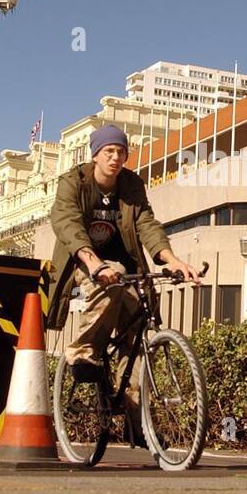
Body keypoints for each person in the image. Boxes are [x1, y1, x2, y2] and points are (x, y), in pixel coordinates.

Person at [45, 124, 202, 390]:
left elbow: (146, 224)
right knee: (111, 280)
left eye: (121, 152)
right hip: (83, 259)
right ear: (95, 154)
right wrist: (95, 263)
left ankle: (137, 420)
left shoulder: (131, 185)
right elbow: (66, 222)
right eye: (109, 151)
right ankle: (82, 350)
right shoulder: (74, 182)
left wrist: (171, 260)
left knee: (139, 325)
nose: (115, 157)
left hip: (123, 266)